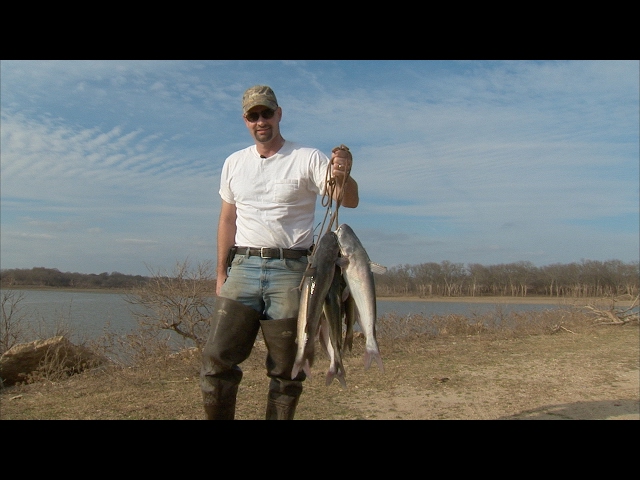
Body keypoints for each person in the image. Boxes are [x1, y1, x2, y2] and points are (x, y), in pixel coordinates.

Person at [200, 85, 359, 420]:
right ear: (245, 120)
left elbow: (348, 198)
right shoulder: (234, 163)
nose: (261, 121)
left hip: (292, 271)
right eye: (253, 115)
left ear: (279, 114)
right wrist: (220, 273)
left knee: (288, 369)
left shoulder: (308, 157)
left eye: (266, 113)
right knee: (216, 360)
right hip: (242, 267)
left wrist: (344, 174)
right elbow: (227, 218)